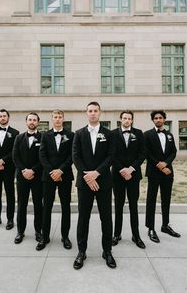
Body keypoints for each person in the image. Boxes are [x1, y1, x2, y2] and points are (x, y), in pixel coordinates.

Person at [72, 102, 116, 270]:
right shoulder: (79, 134)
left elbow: (111, 156)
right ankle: (81, 251)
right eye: (90, 111)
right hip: (84, 183)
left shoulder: (108, 134)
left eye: (95, 111)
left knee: (106, 218)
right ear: (86, 113)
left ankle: (107, 251)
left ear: (100, 113)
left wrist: (96, 173)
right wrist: (88, 176)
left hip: (103, 182)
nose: (92, 113)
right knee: (83, 218)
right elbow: (76, 157)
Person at [36, 110, 74, 251]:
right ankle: (45, 237)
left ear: (63, 118)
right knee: (47, 207)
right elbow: (42, 155)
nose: (57, 119)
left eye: (60, 117)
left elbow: (72, 156)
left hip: (65, 175)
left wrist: (61, 170)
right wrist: (52, 171)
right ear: (52, 119)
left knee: (66, 207)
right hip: (49, 176)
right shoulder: (45, 136)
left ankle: (65, 237)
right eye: (55, 117)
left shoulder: (71, 135)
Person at [144, 110, 181, 243]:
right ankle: (151, 228)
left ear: (164, 120)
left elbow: (173, 152)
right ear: (153, 120)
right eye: (156, 118)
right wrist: (159, 165)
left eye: (160, 118)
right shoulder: (147, 135)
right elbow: (146, 152)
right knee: (151, 200)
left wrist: (166, 164)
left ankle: (165, 225)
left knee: (166, 199)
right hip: (154, 172)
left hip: (167, 173)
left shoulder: (169, 135)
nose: (158, 120)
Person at [111, 110, 146, 249]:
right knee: (118, 205)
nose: (126, 120)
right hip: (117, 176)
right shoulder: (113, 134)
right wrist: (121, 170)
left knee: (133, 206)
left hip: (133, 175)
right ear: (120, 119)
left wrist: (131, 169)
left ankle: (136, 235)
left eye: (129, 118)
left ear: (132, 120)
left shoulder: (138, 133)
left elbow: (142, 153)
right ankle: (116, 234)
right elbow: (111, 154)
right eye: (124, 118)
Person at [12, 112, 43, 244]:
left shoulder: (43, 138)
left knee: (38, 205)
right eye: (30, 120)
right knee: (21, 205)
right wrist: (24, 170)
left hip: (37, 177)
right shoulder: (19, 138)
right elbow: (15, 156)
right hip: (22, 176)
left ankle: (38, 231)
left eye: (34, 120)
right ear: (26, 122)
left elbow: (43, 157)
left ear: (38, 122)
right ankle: (20, 231)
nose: (32, 122)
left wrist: (33, 170)